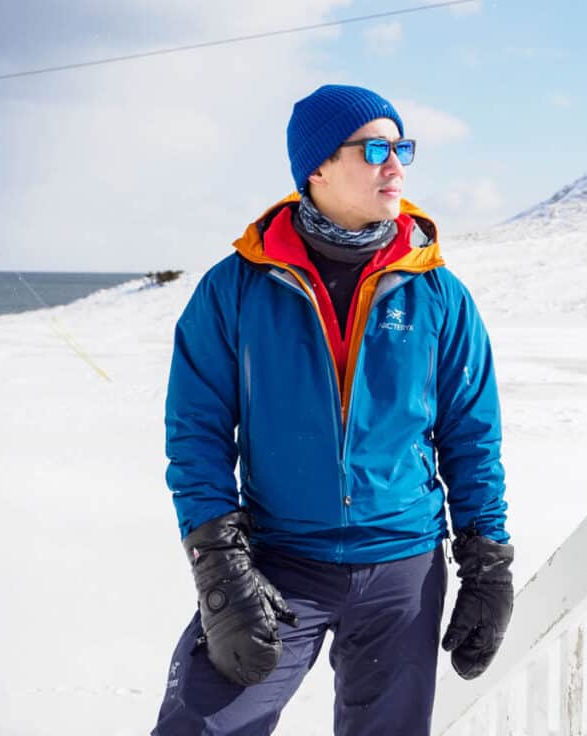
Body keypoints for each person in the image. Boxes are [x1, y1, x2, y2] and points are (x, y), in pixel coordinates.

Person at [152, 85, 514, 735]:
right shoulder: (236, 289)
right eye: (376, 148)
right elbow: (197, 434)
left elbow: (471, 436)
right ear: (316, 165)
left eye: (402, 148)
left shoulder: (438, 294)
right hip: (275, 563)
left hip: (402, 569)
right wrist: (219, 566)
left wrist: (486, 562)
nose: (396, 166)